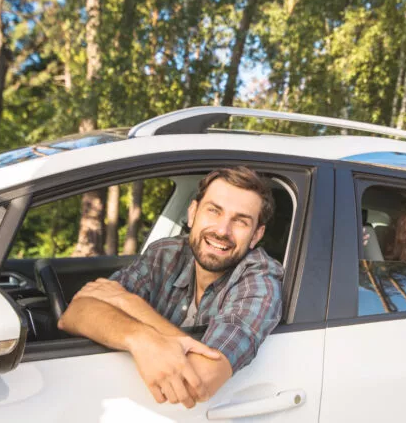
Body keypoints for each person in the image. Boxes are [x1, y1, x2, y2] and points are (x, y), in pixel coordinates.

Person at [58, 166, 284, 409]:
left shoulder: (261, 281)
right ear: (192, 213)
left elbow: (201, 379)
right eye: (214, 211)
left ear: (256, 235)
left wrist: (129, 303)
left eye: (240, 221)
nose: (222, 230)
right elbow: (75, 313)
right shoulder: (166, 253)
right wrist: (140, 338)